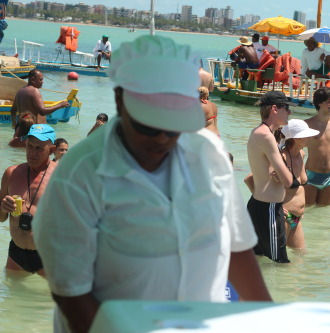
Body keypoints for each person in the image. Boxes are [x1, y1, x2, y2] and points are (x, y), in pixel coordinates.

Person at [32, 35, 271, 333]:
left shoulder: (209, 155)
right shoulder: (78, 176)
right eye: (148, 124)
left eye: (172, 127)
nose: (161, 138)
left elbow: (237, 250)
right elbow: (71, 293)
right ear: (120, 98)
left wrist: (266, 318)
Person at [0, 124, 57, 276]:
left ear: (51, 150)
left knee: (43, 299)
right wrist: (3, 208)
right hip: (16, 254)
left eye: (39, 148)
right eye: (30, 146)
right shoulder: (11, 173)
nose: (32, 152)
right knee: (13, 298)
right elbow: (1, 218)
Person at [247, 91, 295, 263]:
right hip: (268, 209)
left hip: (259, 205)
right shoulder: (267, 136)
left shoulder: (258, 132)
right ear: (274, 109)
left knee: (258, 261)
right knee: (280, 265)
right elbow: (288, 181)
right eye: (287, 108)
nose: (289, 112)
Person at [279, 119, 319, 249]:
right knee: (279, 261)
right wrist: (274, 207)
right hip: (283, 216)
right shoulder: (281, 157)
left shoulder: (301, 154)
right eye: (306, 135)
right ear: (296, 139)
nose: (310, 137)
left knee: (300, 256)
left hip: (297, 218)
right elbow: (251, 180)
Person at [304, 87, 330, 206]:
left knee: (323, 212)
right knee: (307, 211)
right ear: (319, 103)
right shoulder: (307, 124)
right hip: (310, 175)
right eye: (329, 101)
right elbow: (297, 150)